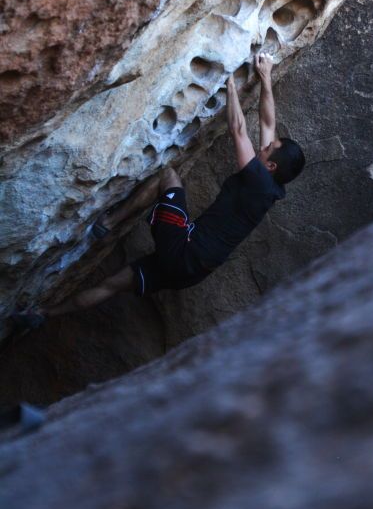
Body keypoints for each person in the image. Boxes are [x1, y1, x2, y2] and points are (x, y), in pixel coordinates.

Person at [14, 53, 305, 324]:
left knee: (168, 177)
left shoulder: (257, 179)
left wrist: (230, 82)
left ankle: (108, 222)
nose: (265, 145)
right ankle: (42, 313)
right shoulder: (269, 189)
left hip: (185, 249)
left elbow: (239, 130)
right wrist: (265, 77)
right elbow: (268, 122)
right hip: (191, 272)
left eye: (269, 149)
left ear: (271, 166)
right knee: (113, 284)